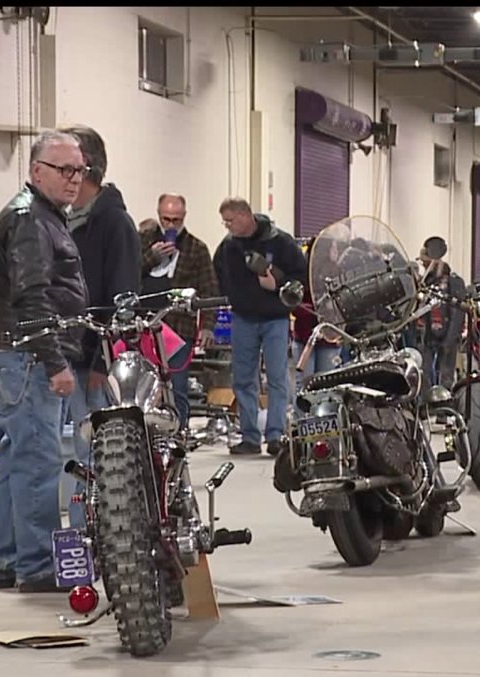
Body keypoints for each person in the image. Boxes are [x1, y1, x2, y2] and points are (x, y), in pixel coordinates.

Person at [0, 130, 89, 592]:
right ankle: (38, 565)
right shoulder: (29, 219)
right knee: (40, 465)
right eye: (64, 170)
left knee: (17, 460)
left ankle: (0, 560)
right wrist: (55, 361)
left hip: (18, 359)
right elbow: (31, 297)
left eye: (79, 170)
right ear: (36, 170)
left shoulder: (44, 216)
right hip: (29, 359)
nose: (74, 179)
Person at [58, 124, 141, 527]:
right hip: (66, 353)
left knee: (89, 449)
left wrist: (98, 364)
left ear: (85, 168)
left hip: (93, 360)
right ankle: (78, 528)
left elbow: (121, 299)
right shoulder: (71, 220)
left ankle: (84, 530)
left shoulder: (114, 223)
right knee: (72, 451)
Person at [214, 197, 305, 457]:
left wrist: (277, 284)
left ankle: (276, 435)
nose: (228, 226)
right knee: (243, 379)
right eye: (225, 222)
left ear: (245, 216)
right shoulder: (228, 247)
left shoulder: (281, 242)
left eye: (231, 221)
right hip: (242, 318)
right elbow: (217, 273)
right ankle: (250, 436)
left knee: (277, 378)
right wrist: (231, 297)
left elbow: (300, 276)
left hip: (275, 318)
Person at [139, 194, 220, 431]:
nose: (171, 225)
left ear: (184, 216)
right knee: (143, 387)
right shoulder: (142, 241)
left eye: (176, 219)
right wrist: (151, 258)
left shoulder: (197, 249)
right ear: (158, 214)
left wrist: (207, 325)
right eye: (166, 219)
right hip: (143, 327)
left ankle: (178, 437)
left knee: (177, 388)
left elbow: (209, 289)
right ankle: (144, 437)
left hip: (179, 329)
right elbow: (127, 273)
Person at [290, 236, 342, 396]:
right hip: (306, 337)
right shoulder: (303, 274)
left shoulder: (337, 273)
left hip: (330, 337)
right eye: (333, 248)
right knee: (304, 385)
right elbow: (294, 305)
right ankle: (302, 420)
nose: (337, 252)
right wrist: (317, 309)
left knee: (326, 385)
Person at [417, 236, 467, 390]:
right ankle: (425, 406)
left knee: (445, 375)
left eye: (425, 262)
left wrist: (450, 339)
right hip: (428, 337)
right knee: (424, 374)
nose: (424, 265)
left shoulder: (454, 282)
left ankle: (445, 406)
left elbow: (458, 314)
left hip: (447, 335)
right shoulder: (426, 283)